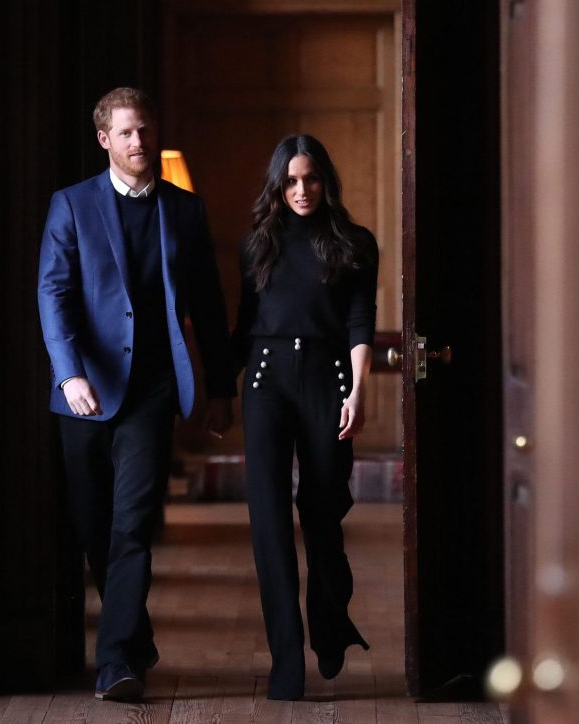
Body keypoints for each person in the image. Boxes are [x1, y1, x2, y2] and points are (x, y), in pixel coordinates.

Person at [37, 87, 235, 702]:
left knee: (131, 528)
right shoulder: (70, 205)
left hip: (151, 391)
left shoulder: (185, 210)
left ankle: (118, 662)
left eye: (145, 130)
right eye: (125, 133)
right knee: (94, 526)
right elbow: (54, 294)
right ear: (104, 140)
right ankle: (135, 633)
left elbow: (207, 302)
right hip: (84, 393)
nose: (138, 143)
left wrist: (220, 388)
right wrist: (70, 374)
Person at [231, 134, 378, 700]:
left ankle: (330, 617)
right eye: (290, 181)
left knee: (323, 512)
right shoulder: (256, 246)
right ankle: (286, 662)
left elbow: (360, 321)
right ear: (276, 184)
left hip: (328, 379)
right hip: (266, 382)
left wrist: (358, 392)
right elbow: (245, 324)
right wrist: (218, 389)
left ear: (326, 181)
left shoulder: (355, 243)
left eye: (311, 179)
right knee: (268, 524)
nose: (301, 190)